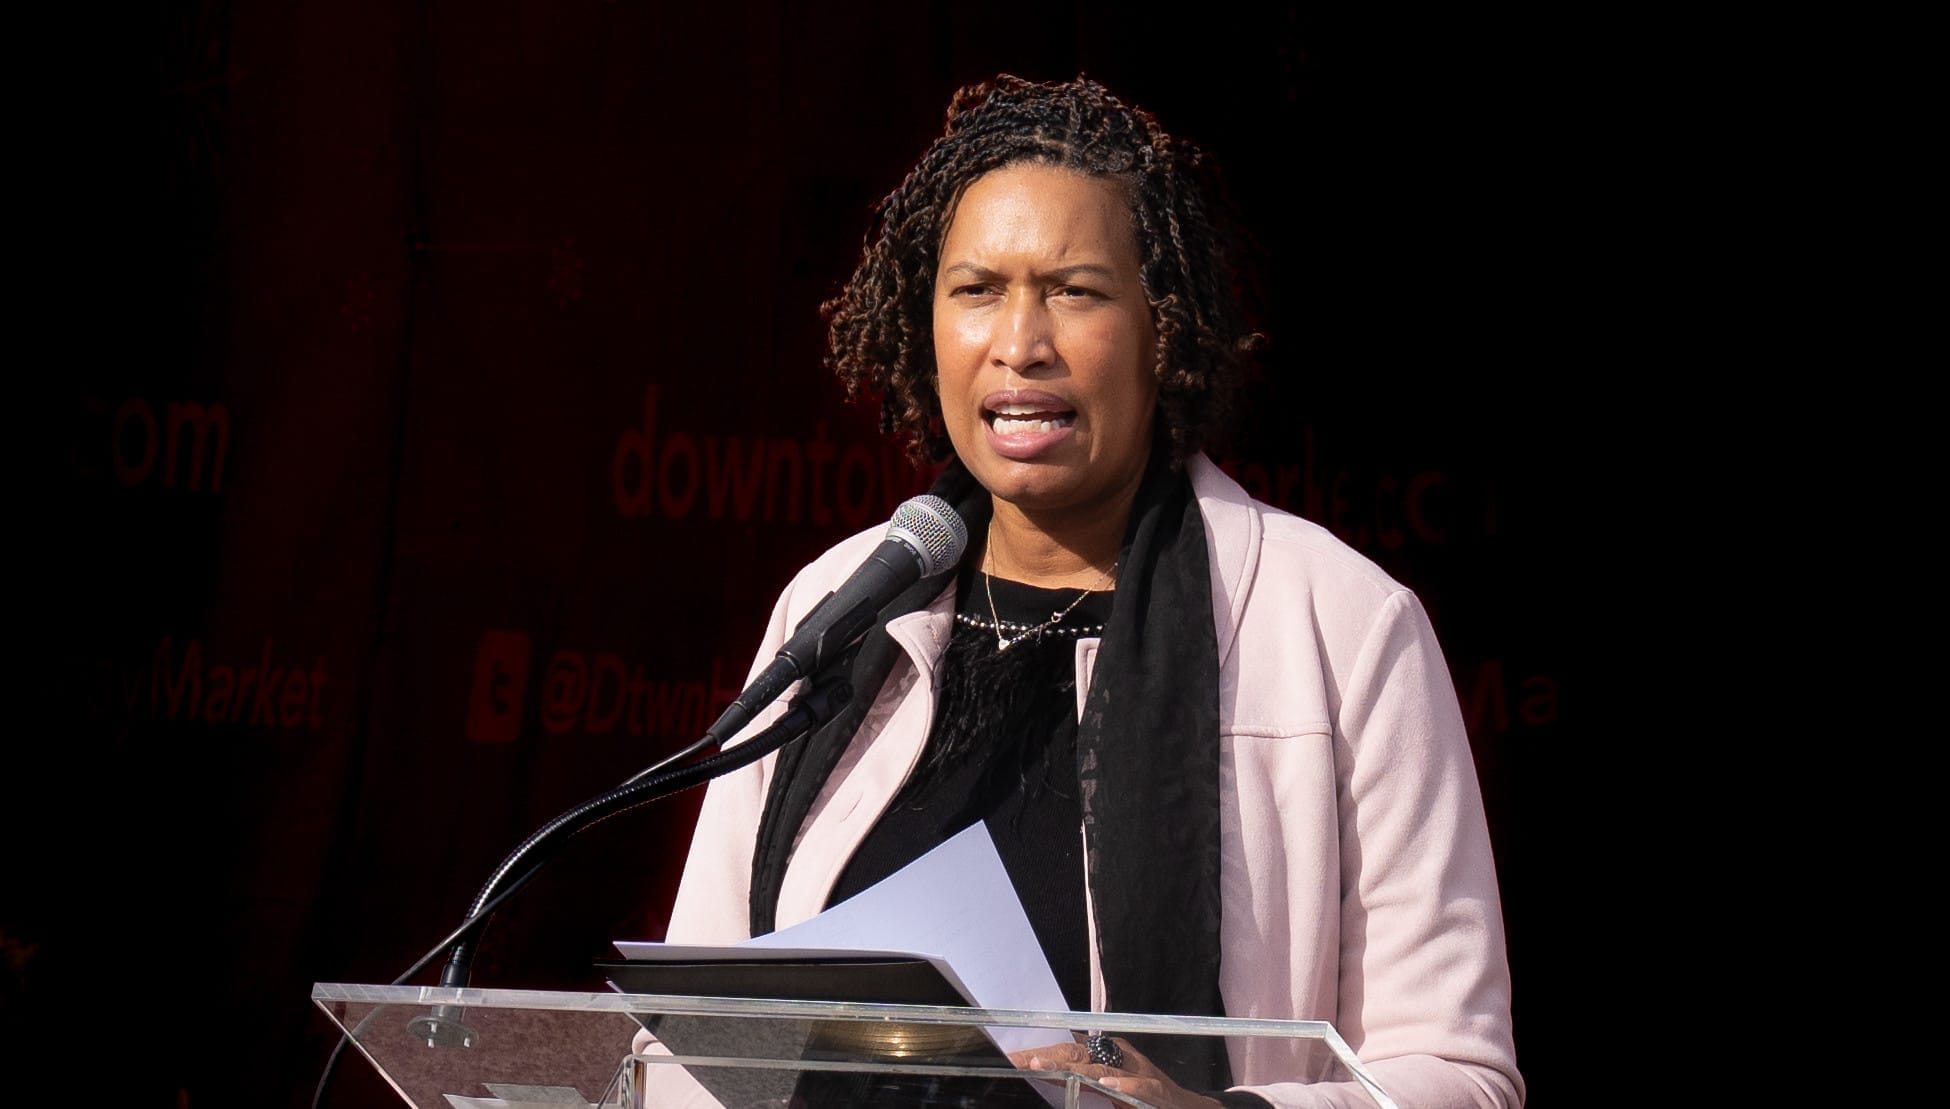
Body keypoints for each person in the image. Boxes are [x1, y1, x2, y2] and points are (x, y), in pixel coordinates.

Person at [640, 74, 1523, 1109]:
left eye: (1075, 291)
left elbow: (1457, 1073)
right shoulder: (836, 606)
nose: (1020, 343)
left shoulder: (1341, 625)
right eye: (977, 289)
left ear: (1163, 329)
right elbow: (682, 1052)